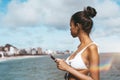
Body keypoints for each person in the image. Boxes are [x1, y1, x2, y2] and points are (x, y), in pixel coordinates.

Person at [55, 6, 99, 80]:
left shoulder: (92, 47)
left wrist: (67, 67)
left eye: (71, 25)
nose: (70, 29)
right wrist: (63, 64)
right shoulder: (80, 47)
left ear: (77, 26)